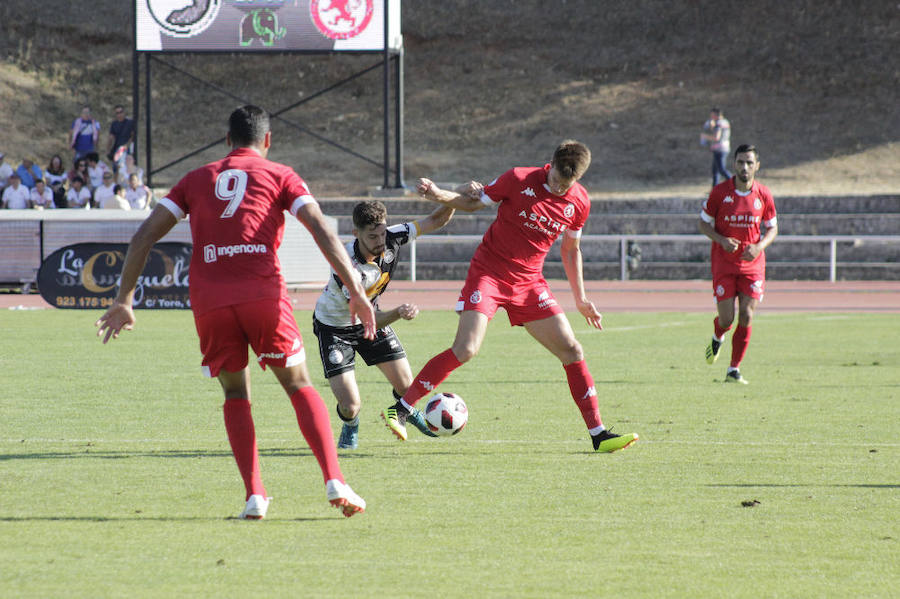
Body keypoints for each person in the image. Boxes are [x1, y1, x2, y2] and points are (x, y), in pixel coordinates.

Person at [95, 104, 376, 520]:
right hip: (263, 295)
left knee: (235, 393)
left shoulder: (194, 179)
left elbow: (143, 236)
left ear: (227, 140)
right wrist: (356, 291)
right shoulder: (280, 174)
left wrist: (124, 299)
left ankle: (254, 496)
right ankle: (334, 479)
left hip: (211, 302)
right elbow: (320, 227)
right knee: (298, 384)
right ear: (267, 140)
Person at [380, 140, 639, 453]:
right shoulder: (518, 178)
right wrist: (437, 194)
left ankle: (598, 435)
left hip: (530, 283)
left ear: (579, 179)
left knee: (572, 350)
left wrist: (580, 298)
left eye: (566, 185)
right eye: (556, 180)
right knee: (466, 348)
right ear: (550, 164)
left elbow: (571, 250)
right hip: (489, 273)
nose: (559, 188)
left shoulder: (580, 202)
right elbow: (473, 203)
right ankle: (401, 409)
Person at [313, 199, 454, 450]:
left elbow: (436, 220)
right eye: (372, 236)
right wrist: (399, 312)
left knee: (408, 387)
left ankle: (403, 411)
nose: (380, 241)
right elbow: (369, 320)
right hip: (335, 329)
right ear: (356, 234)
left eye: (382, 233)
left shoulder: (392, 236)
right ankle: (351, 424)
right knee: (350, 406)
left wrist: (451, 197)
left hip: (370, 316)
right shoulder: (345, 265)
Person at [699, 144, 778, 384]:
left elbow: (772, 228)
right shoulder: (719, 192)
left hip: (752, 265)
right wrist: (721, 240)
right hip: (724, 264)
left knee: (746, 314)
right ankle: (718, 335)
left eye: (749, 162)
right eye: (741, 162)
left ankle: (733, 369)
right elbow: (703, 224)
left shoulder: (763, 194)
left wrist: (759, 247)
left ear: (757, 166)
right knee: (727, 319)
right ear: (734, 164)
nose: (745, 167)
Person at [700, 108, 732, 187]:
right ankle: (715, 189)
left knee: (721, 169)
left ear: (716, 115)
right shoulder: (725, 122)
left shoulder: (719, 123)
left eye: (712, 115)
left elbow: (716, 137)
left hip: (720, 149)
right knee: (715, 171)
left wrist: (705, 136)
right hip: (723, 148)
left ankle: (735, 183)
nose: (711, 117)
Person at [107, 104, 135, 177]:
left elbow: (133, 136)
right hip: (117, 148)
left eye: (121, 112)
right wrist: (108, 149)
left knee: (125, 166)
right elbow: (111, 137)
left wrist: (127, 145)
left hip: (127, 148)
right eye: (117, 113)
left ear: (124, 112)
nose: (119, 114)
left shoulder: (130, 122)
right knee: (116, 167)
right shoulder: (114, 124)